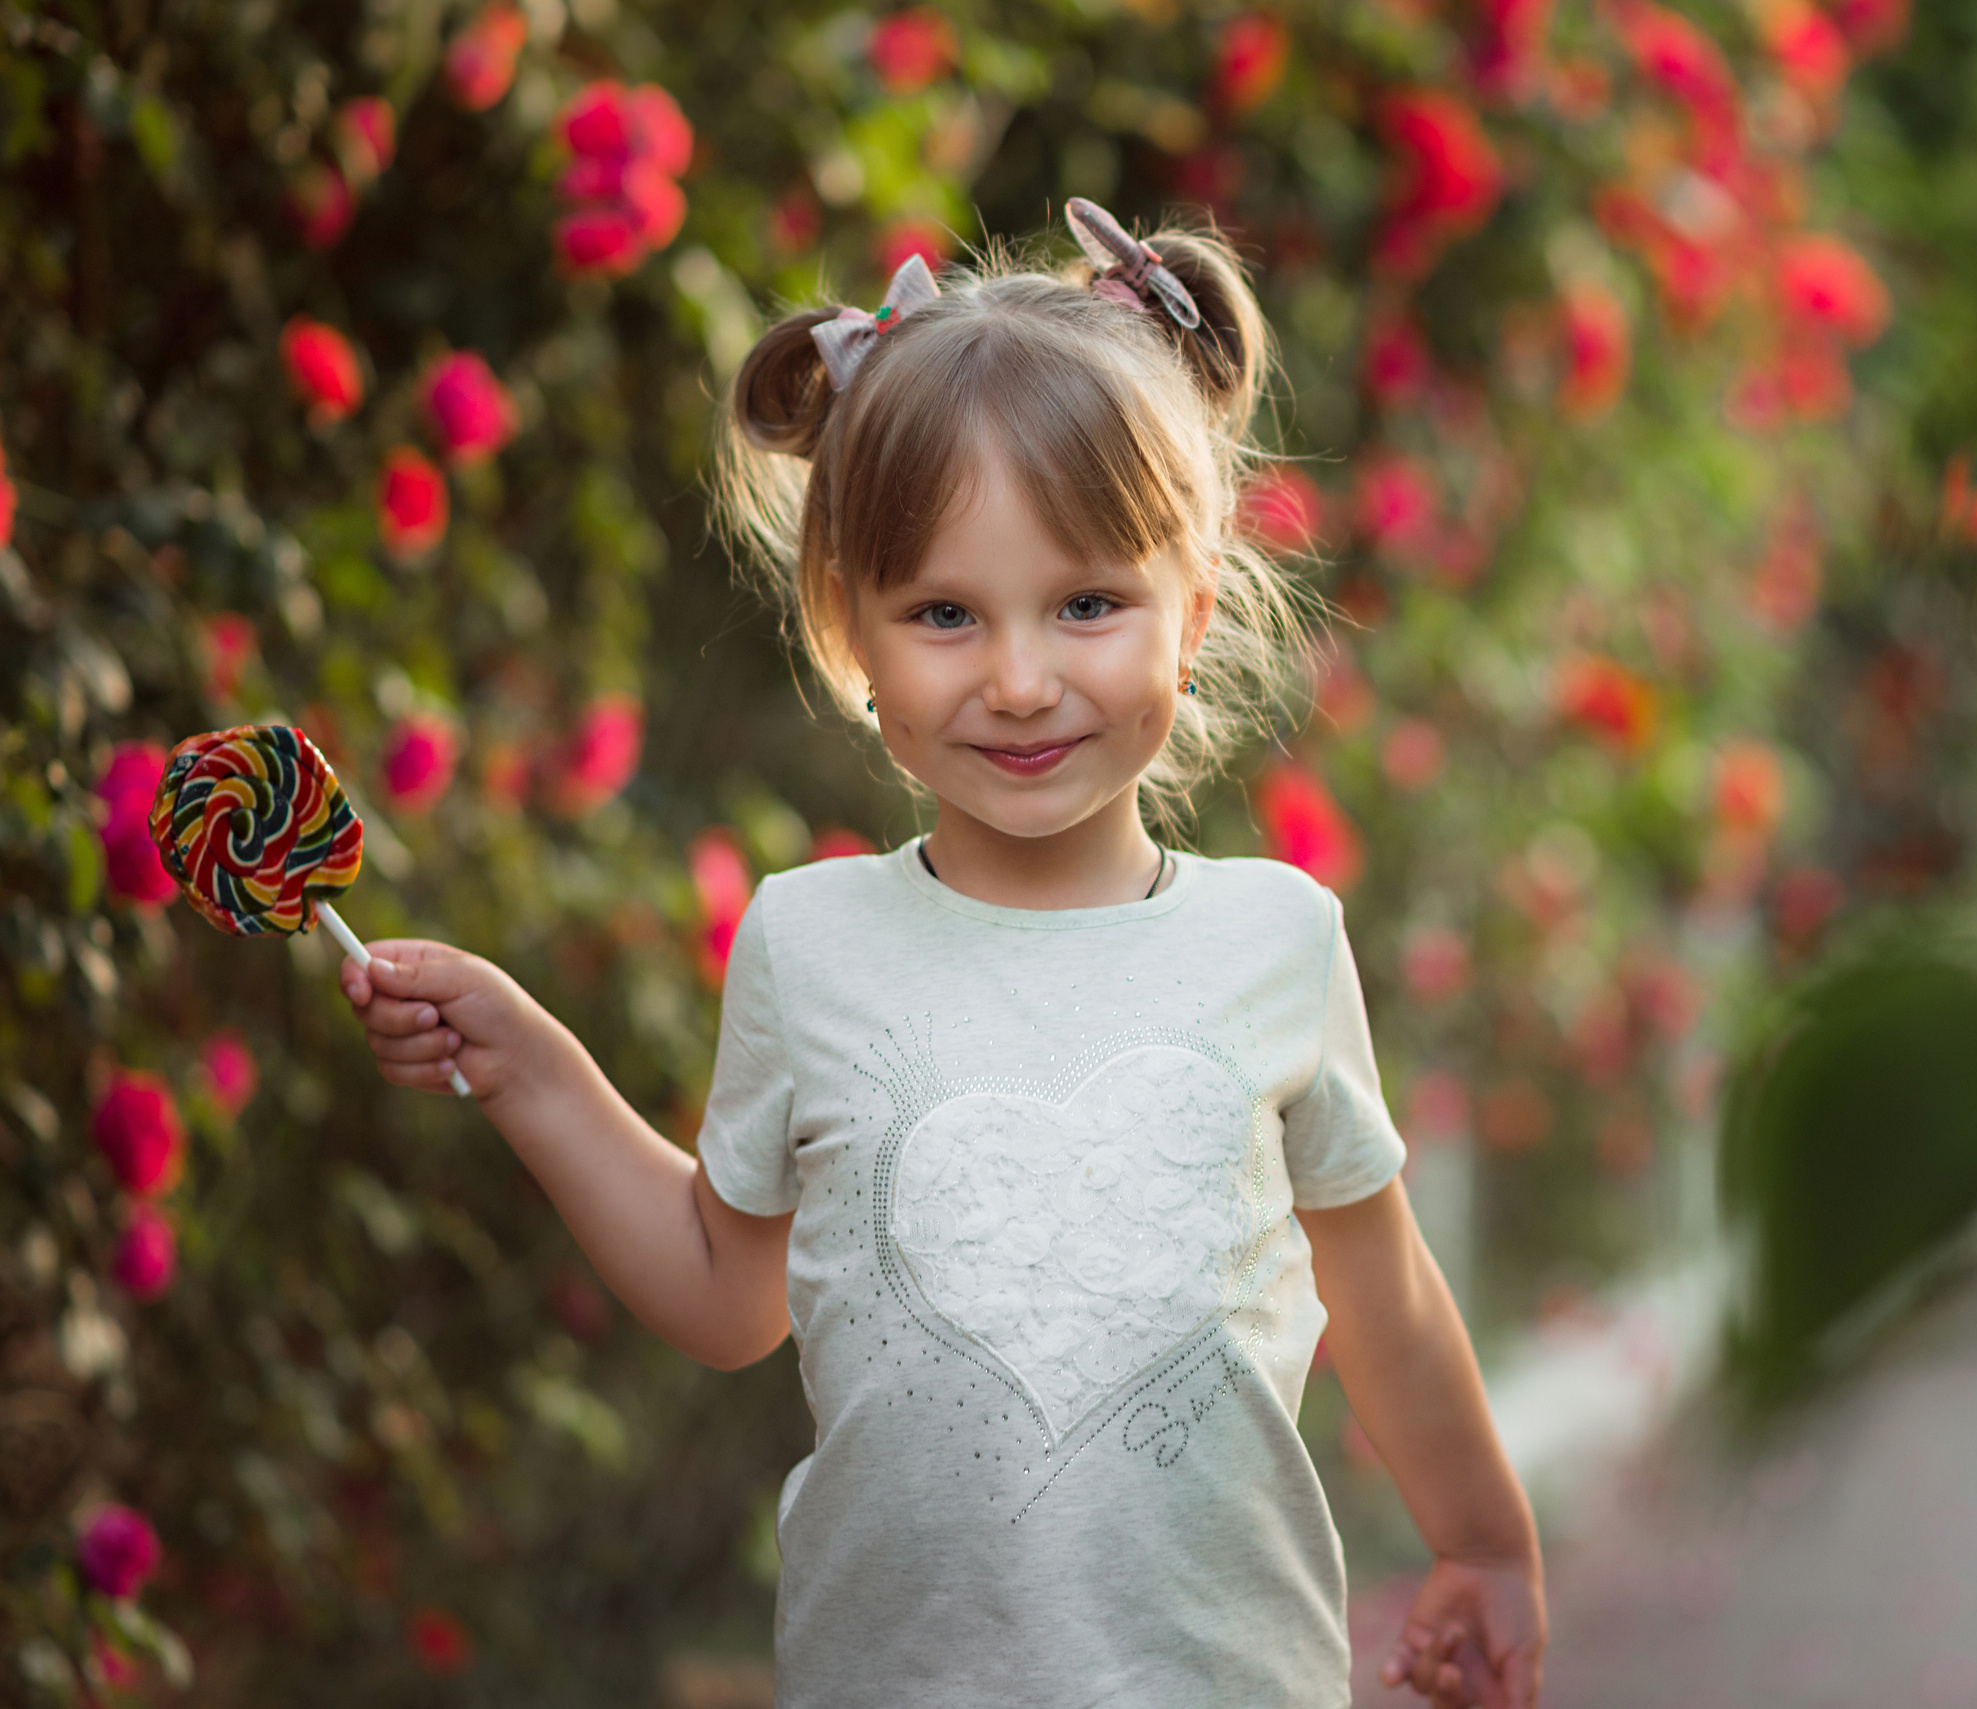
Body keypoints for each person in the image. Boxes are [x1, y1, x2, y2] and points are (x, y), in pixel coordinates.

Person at [338, 199, 1544, 1709]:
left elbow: (1384, 1295)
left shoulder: (1276, 941)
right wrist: (527, 1066)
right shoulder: (810, 940)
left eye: (1090, 603)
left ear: (1198, 604)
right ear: (852, 626)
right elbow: (730, 1289)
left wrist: (1487, 1541)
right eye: (948, 614)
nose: (1024, 679)